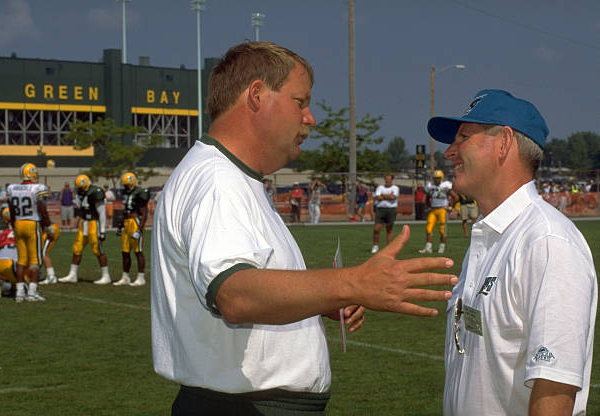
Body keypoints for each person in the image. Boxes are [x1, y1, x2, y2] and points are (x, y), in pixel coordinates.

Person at [151, 41, 457, 415]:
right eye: (300, 102)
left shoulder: (232, 177)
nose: (310, 118)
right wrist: (351, 283)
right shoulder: (218, 180)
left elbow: (250, 285)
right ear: (257, 95)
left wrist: (321, 299)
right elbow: (234, 294)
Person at [427, 89, 597, 415]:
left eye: (463, 137)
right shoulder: (491, 237)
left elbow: (554, 389)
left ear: (504, 143)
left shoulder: (546, 243)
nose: (449, 152)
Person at [7, 163, 54, 302]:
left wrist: (14, 225)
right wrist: (48, 226)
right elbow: (41, 208)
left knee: (21, 260)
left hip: (18, 223)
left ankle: (19, 293)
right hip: (32, 224)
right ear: (32, 173)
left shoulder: (12, 188)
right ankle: (32, 293)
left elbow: (11, 208)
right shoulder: (37, 188)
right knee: (35, 260)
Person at [59, 174, 111, 285]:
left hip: (94, 223)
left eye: (81, 187)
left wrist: (102, 230)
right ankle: (73, 274)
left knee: (98, 249)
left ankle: (106, 276)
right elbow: (81, 209)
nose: (79, 189)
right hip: (84, 223)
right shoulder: (81, 193)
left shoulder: (95, 192)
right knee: (77, 248)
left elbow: (102, 212)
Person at [113, 172, 149, 287]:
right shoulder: (128, 193)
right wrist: (120, 226)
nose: (125, 187)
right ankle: (125, 277)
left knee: (138, 251)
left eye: (126, 185)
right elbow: (125, 211)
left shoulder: (140, 193)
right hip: (126, 223)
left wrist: (140, 229)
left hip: (135, 223)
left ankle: (141, 277)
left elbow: (144, 212)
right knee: (125, 252)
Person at [418, 170, 458, 254]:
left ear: (441, 178)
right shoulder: (430, 185)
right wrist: (429, 206)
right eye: (435, 178)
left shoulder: (445, 185)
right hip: (433, 210)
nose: (436, 180)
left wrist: (451, 207)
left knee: (442, 229)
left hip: (442, 209)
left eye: (438, 178)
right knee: (428, 229)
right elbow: (427, 197)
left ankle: (442, 247)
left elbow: (455, 197)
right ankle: (428, 248)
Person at [370, 174, 399, 254]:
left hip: (391, 210)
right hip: (380, 209)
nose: (387, 181)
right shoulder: (380, 187)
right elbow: (377, 197)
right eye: (386, 179)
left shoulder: (395, 188)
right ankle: (375, 246)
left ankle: (388, 247)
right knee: (377, 228)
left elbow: (393, 197)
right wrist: (387, 196)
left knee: (389, 229)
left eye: (389, 179)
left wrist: (383, 196)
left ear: (392, 180)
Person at [0, 207, 17, 298]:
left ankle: (4, 283)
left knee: (8, 274)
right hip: (12, 263)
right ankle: (7, 286)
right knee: (25, 279)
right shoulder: (21, 232)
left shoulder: (2, 232)